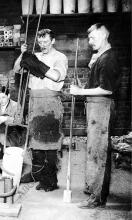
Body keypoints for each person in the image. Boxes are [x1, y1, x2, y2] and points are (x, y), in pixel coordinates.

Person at [70, 23, 120, 208]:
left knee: (97, 152)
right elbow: (96, 85)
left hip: (102, 108)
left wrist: (79, 92)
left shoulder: (108, 59)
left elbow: (106, 89)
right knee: (95, 150)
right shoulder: (101, 58)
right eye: (89, 38)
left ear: (105, 34)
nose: (90, 42)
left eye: (93, 37)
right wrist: (91, 68)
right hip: (96, 108)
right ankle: (96, 189)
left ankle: (96, 198)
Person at [13, 29, 68, 192]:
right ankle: (37, 173)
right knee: (35, 143)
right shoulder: (34, 56)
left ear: (53, 41)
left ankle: (50, 180)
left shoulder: (60, 57)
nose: (42, 45)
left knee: (50, 144)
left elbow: (56, 76)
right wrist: (22, 56)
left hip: (50, 103)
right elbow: (17, 70)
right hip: (35, 102)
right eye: (40, 42)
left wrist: (35, 63)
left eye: (45, 42)